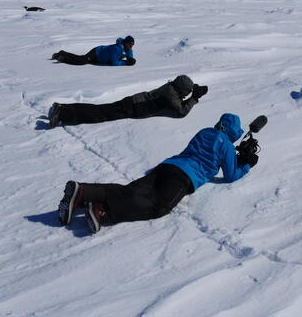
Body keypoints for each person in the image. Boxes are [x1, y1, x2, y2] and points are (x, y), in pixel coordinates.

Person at [57, 113, 259, 233]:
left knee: (131, 190)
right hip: (184, 177)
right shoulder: (227, 147)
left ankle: (84, 192)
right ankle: (103, 211)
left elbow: (200, 151)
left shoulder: (205, 131)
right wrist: (247, 164)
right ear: (234, 132)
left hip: (168, 166)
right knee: (159, 206)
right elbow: (230, 175)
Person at [48, 75, 208, 128]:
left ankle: (62, 108)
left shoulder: (171, 88)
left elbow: (178, 101)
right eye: (187, 91)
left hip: (133, 102)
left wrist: (192, 93)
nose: (188, 93)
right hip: (134, 108)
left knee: (100, 109)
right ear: (181, 89)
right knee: (99, 114)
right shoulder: (171, 95)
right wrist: (194, 98)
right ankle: (62, 114)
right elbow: (181, 112)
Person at [51, 36, 136, 66]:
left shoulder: (128, 49)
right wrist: (125, 63)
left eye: (132, 44)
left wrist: (131, 60)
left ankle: (62, 53)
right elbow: (114, 62)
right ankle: (62, 58)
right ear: (125, 43)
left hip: (99, 59)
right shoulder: (117, 48)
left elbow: (129, 57)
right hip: (97, 53)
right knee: (82, 61)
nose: (131, 46)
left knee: (81, 58)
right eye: (129, 44)